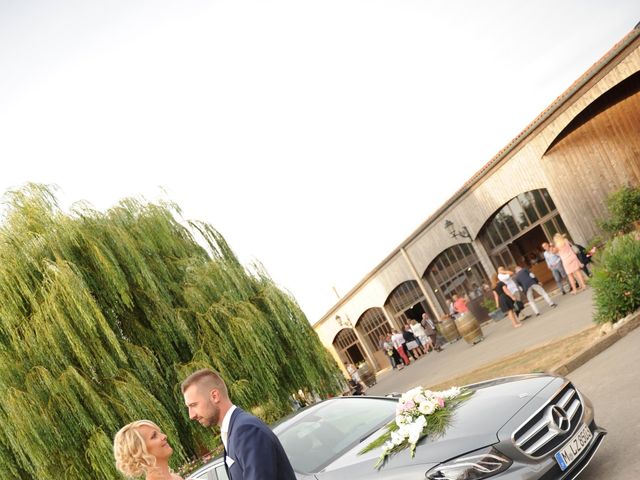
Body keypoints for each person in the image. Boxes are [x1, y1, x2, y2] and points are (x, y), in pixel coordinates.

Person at [181, 369, 296, 480]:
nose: (191, 415)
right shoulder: (234, 431)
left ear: (215, 396)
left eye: (193, 405)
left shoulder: (246, 430)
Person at [113, 420, 183, 480]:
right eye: (154, 436)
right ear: (140, 451)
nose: (164, 436)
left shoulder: (175, 478)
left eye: (159, 432)